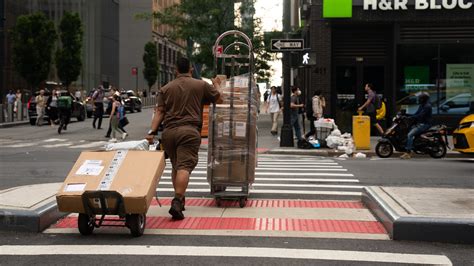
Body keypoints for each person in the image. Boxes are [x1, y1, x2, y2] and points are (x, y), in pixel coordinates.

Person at [145, 57, 222, 220]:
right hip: (189, 131)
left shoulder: (165, 88)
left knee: (176, 165)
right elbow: (220, 99)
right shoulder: (201, 85)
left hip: (169, 133)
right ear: (191, 69)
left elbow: (159, 112)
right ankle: (177, 201)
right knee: (184, 167)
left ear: (175, 70)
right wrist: (216, 84)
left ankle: (180, 198)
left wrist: (151, 132)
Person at [400, 93, 433, 159]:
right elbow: (416, 114)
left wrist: (410, 118)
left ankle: (408, 152)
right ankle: (412, 146)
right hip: (420, 123)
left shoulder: (427, 106)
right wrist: (406, 115)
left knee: (410, 135)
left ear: (423, 99)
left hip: (425, 124)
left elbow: (420, 115)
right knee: (408, 131)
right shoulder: (422, 105)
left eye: (420, 98)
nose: (418, 100)